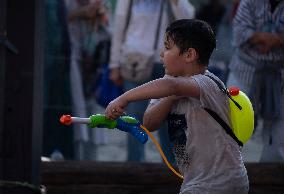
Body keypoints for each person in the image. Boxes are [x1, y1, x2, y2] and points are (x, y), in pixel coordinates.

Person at [105, 19, 249, 193]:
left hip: (219, 180)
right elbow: (150, 122)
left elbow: (173, 87)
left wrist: (124, 98)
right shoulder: (167, 86)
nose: (161, 54)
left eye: (167, 47)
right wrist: (171, 97)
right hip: (197, 180)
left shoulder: (208, 83)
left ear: (189, 55)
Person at [109, 0, 195, 162]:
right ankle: (135, 167)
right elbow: (119, 28)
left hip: (166, 65)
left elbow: (188, 19)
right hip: (134, 63)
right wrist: (114, 65)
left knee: (168, 120)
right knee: (134, 120)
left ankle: (171, 167)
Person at [227, 0, 284, 162]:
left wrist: (273, 40)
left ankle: (272, 183)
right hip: (244, 70)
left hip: (280, 74)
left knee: (278, 139)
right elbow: (239, 33)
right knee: (230, 127)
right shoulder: (250, 2)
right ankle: (227, 177)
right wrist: (270, 38)